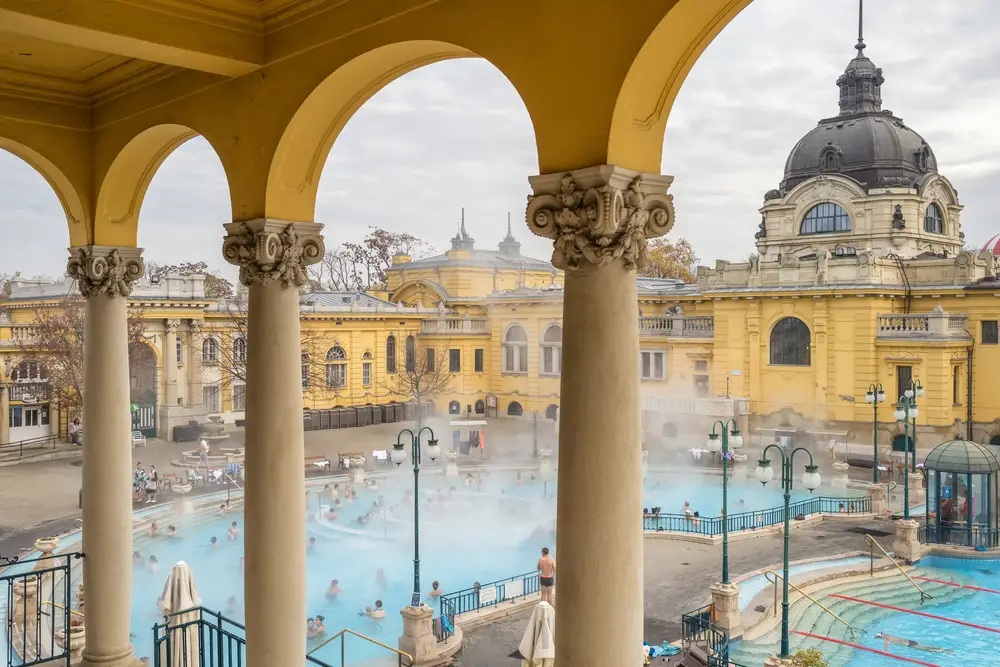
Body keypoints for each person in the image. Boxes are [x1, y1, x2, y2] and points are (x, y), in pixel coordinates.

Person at [875, 632, 952, 654]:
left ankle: (944, 651)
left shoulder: (887, 639)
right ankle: (943, 649)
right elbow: (882, 633)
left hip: (910, 644)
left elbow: (885, 649)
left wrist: (881, 652)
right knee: (925, 646)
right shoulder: (889, 636)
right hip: (910, 641)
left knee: (926, 649)